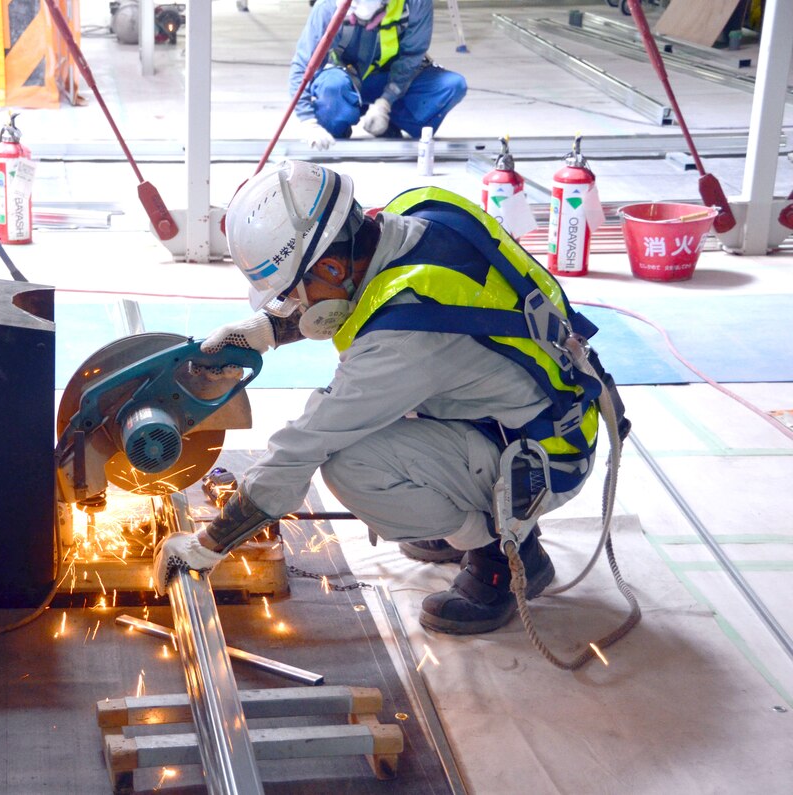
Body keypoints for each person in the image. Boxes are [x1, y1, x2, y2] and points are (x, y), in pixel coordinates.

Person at [153, 160, 629, 635]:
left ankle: (503, 556)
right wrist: (265, 332)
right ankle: (463, 515)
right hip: (538, 411)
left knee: (350, 463)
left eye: (296, 294)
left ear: (334, 265)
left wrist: (209, 545)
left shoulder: (404, 342)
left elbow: (304, 445)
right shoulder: (416, 215)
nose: (295, 307)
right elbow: (364, 298)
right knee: (377, 417)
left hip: (539, 462)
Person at [291, 0, 467, 150]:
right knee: (331, 91)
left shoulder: (416, 3)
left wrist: (386, 102)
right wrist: (307, 121)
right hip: (344, 80)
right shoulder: (327, 6)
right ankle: (337, 125)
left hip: (391, 79)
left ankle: (392, 123)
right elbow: (303, 66)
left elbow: (411, 56)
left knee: (451, 85)